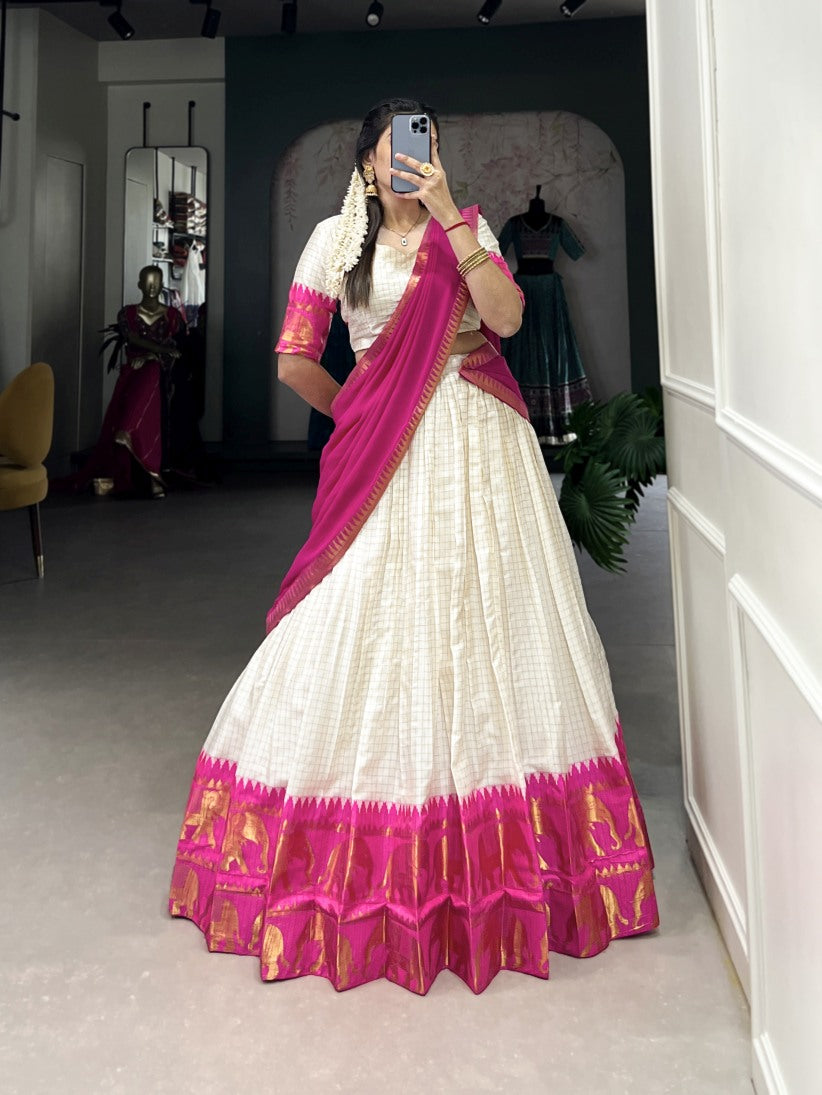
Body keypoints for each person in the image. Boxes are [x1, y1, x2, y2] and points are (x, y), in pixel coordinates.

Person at [169, 98, 659, 995]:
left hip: (485, 445)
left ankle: (514, 865)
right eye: (396, 150)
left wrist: (450, 219)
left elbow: (506, 320)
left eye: (424, 147)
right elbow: (294, 359)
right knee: (363, 613)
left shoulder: (463, 226)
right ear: (367, 162)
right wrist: (360, 413)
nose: (411, 161)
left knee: (498, 620)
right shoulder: (333, 242)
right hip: (387, 453)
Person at [57, 266, 183, 498]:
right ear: (139, 284)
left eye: (156, 282)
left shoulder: (172, 316)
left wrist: (153, 356)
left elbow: (176, 347)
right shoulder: (128, 314)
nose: (152, 287)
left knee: (151, 377)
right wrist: (156, 351)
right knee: (141, 385)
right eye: (147, 281)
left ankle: (131, 435)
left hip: (158, 371)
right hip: (133, 370)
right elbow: (132, 338)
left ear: (162, 284)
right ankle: (134, 452)